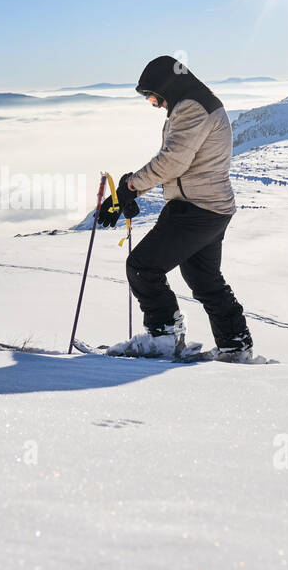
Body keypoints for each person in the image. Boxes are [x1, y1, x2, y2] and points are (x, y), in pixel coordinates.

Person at [97, 55, 253, 361]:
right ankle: (235, 345)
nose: (155, 105)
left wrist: (129, 188)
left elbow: (172, 162)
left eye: (153, 97)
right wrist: (133, 191)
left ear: (167, 87)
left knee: (142, 268)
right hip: (211, 208)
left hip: (196, 209)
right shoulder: (197, 102)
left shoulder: (192, 108)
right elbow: (180, 163)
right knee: (205, 280)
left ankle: (162, 337)